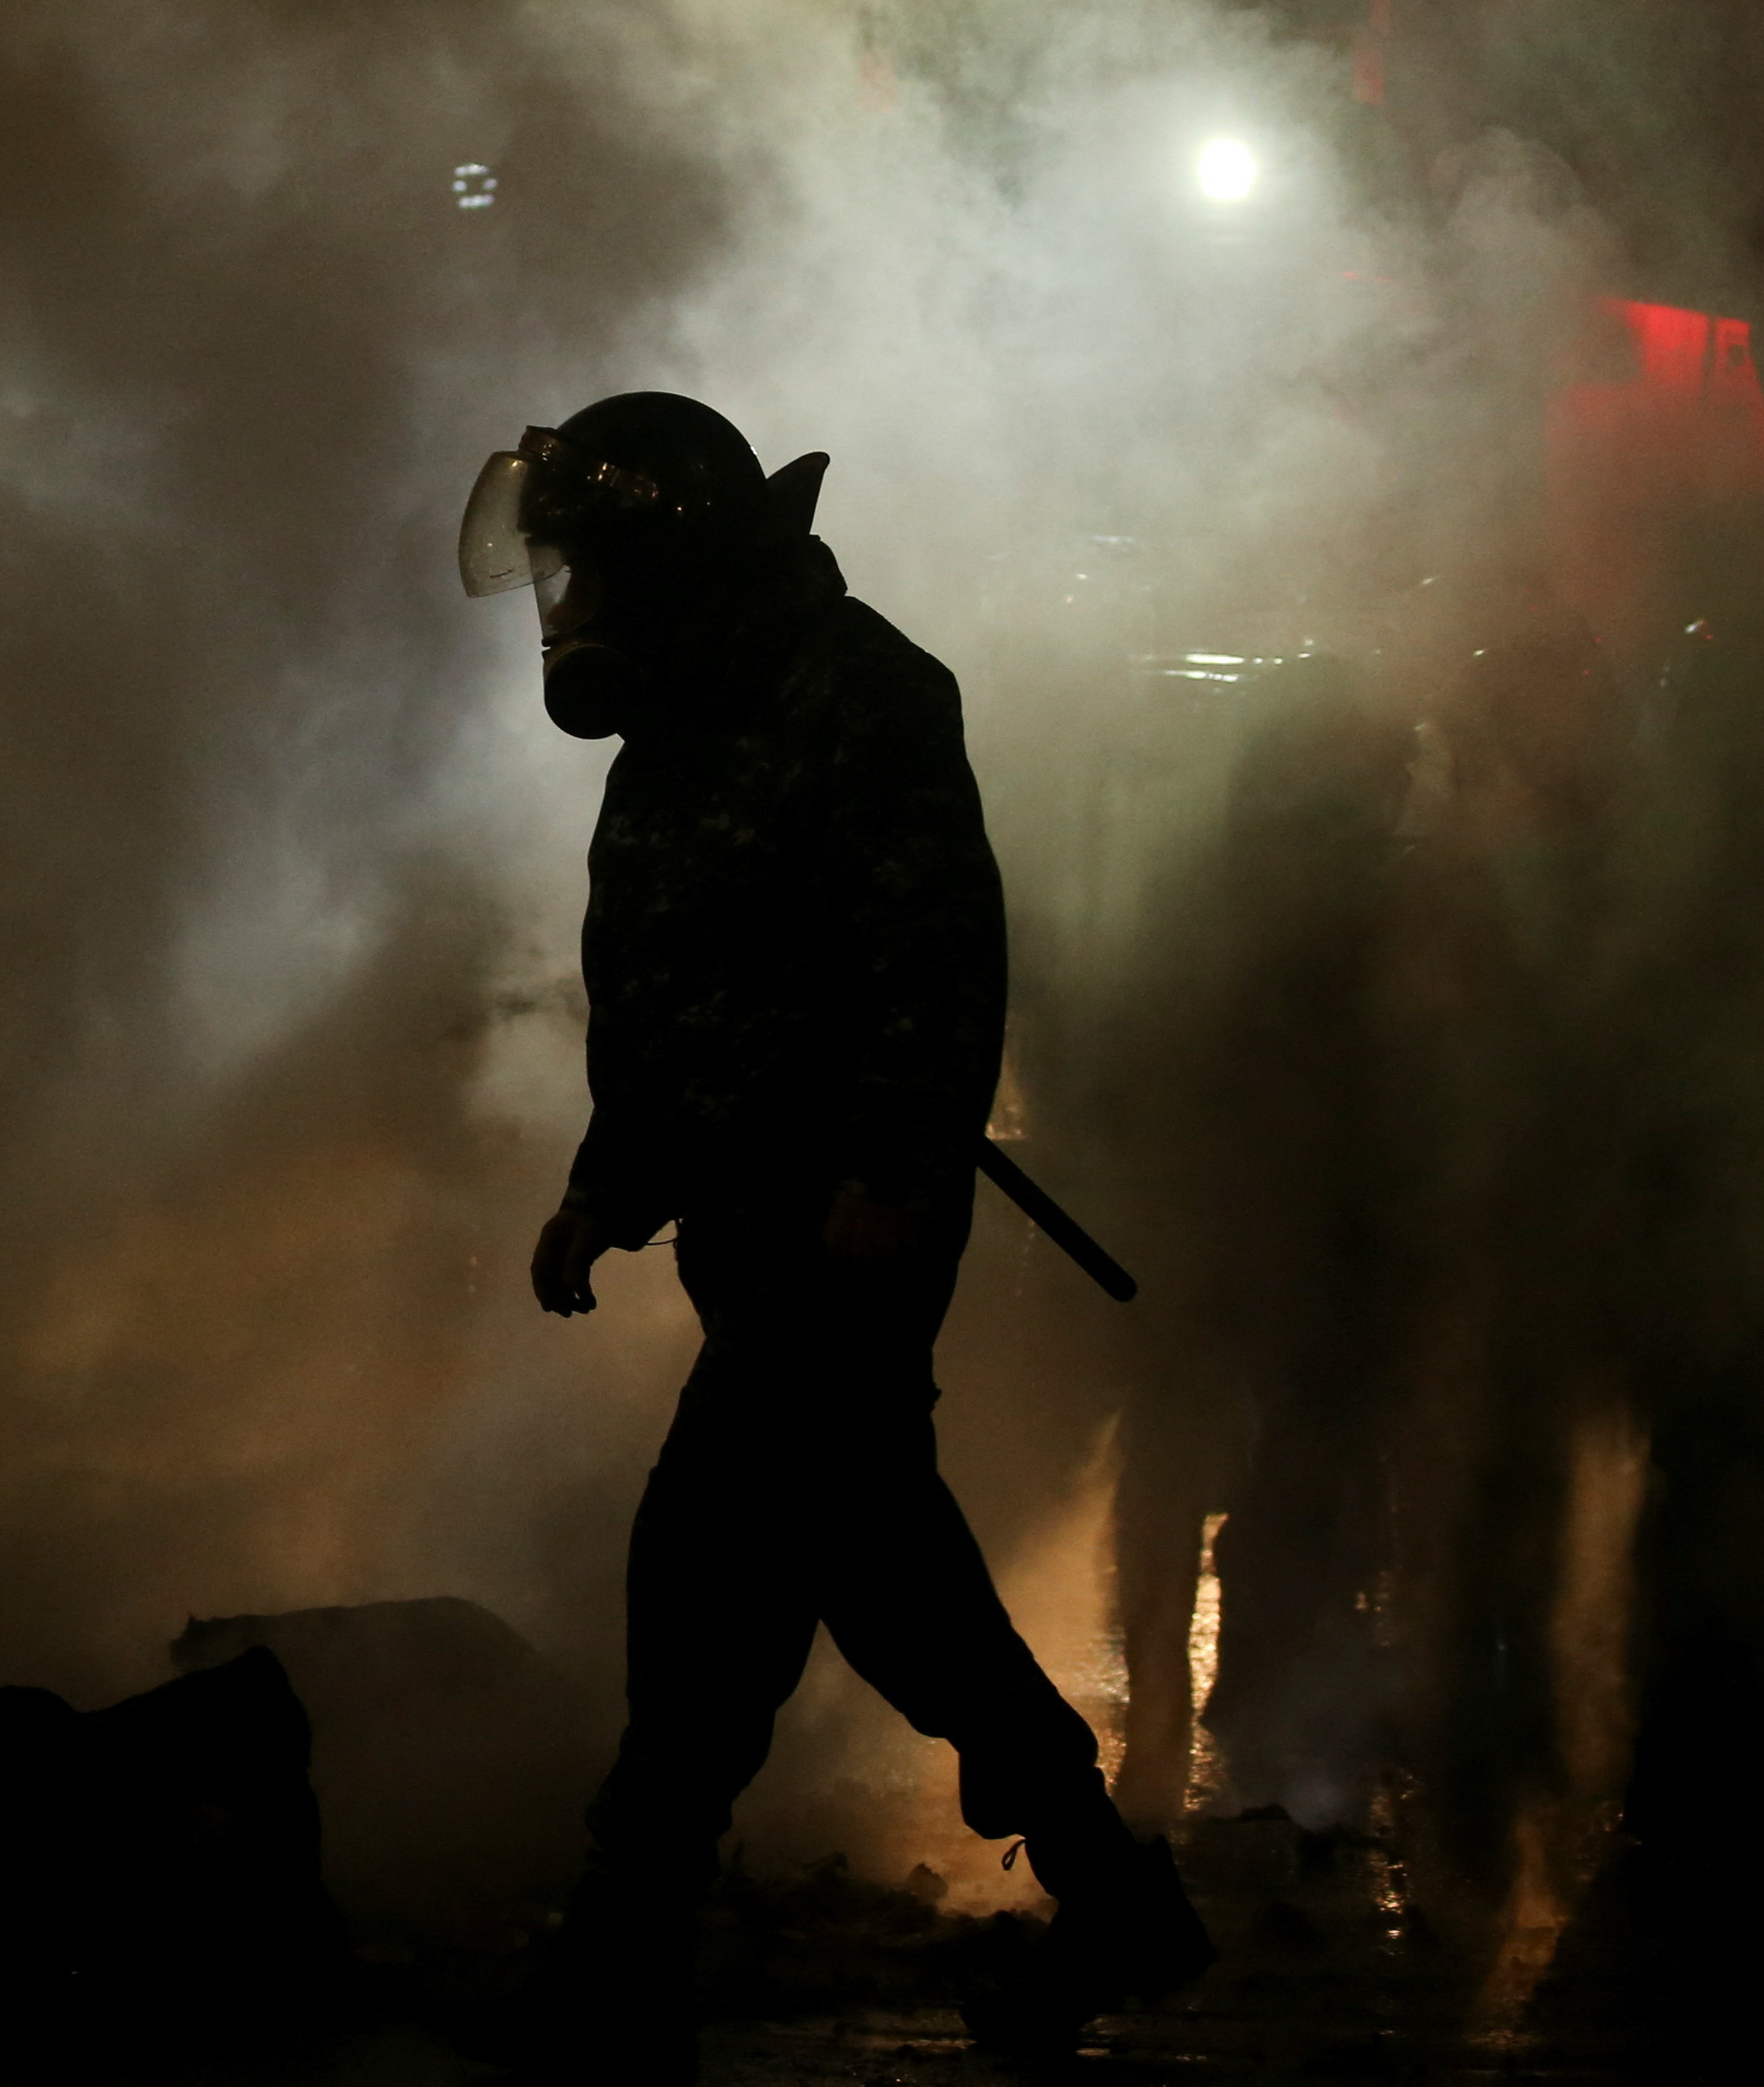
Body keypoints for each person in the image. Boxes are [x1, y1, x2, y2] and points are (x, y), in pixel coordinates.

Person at [456, 393, 1211, 2073]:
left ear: (671, 558)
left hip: (847, 1221)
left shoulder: (860, 697)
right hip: (748, 1216)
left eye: (582, 567)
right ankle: (1114, 1907)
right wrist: (609, 1181)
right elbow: (659, 998)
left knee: (707, 1562)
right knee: (877, 1574)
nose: (563, 606)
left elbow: (933, 955)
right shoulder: (681, 726)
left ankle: (621, 1954)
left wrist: (888, 1158)